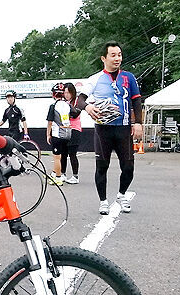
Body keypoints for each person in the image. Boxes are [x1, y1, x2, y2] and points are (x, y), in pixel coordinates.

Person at [76, 41, 143, 215]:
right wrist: (88, 107)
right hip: (103, 129)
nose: (117, 58)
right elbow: (79, 100)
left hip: (123, 128)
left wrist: (138, 123)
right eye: (113, 55)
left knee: (128, 167)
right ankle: (103, 201)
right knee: (102, 166)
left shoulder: (129, 77)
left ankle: (121, 195)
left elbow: (136, 100)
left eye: (119, 55)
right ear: (103, 58)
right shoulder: (95, 79)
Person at [46, 82, 76, 186]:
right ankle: (55, 173)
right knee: (62, 156)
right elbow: (73, 114)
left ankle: (58, 178)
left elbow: (50, 122)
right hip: (67, 134)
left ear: (54, 94)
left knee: (56, 158)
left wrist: (48, 135)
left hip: (57, 134)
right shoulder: (67, 105)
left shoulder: (53, 106)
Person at [61, 83, 82, 184]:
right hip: (64, 129)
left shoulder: (77, 101)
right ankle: (62, 174)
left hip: (74, 129)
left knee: (72, 153)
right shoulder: (63, 102)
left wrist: (67, 107)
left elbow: (75, 114)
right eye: (65, 93)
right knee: (63, 153)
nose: (66, 95)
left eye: (68, 93)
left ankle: (75, 176)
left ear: (73, 92)